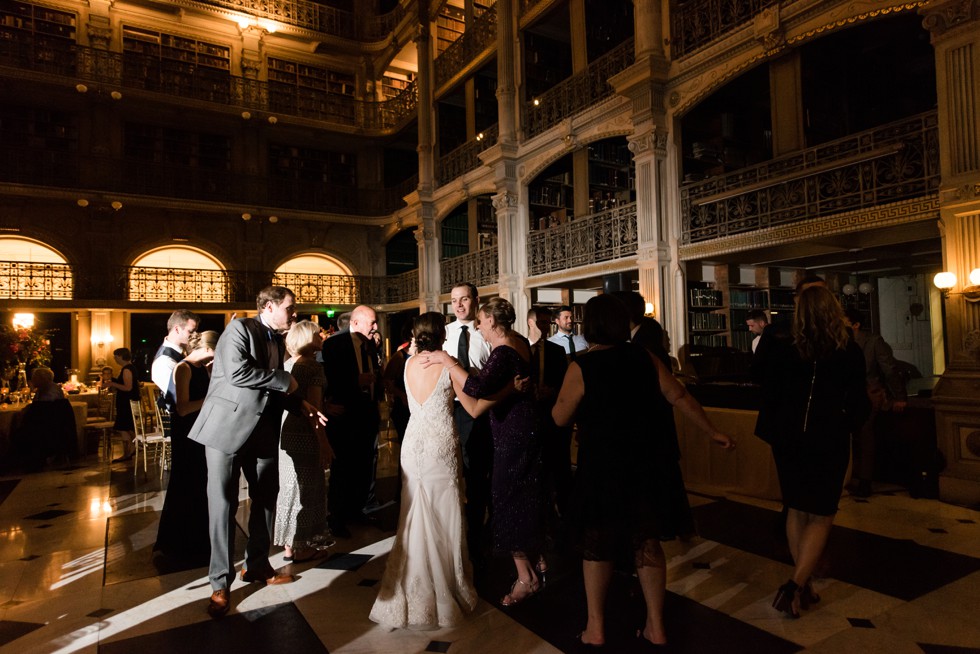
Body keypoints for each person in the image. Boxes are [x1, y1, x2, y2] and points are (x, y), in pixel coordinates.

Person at [551, 294, 734, 648]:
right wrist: (713, 431)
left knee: (597, 545)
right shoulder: (645, 357)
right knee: (646, 542)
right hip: (645, 463)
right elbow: (679, 396)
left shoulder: (582, 366)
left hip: (603, 466)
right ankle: (656, 625)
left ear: (590, 326)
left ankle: (596, 628)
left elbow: (559, 416)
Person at [188, 286, 327, 619]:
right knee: (223, 505)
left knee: (267, 499)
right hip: (226, 431)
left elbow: (273, 392)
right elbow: (237, 373)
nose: (295, 315)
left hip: (262, 433)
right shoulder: (238, 330)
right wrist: (286, 380)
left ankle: (258, 565)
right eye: (290, 309)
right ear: (268, 306)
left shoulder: (277, 341)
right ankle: (220, 584)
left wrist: (300, 403)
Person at [755, 286, 869, 618]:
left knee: (796, 508)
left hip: (787, 438)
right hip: (827, 437)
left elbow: (762, 380)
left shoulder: (782, 345)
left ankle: (803, 585)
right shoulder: (847, 348)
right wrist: (851, 420)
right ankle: (794, 586)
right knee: (822, 513)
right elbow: (858, 398)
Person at [425, 297, 542, 607]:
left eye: (481, 320)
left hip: (512, 432)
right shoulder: (519, 342)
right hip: (523, 427)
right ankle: (533, 564)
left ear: (491, 321)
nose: (478, 326)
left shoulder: (503, 350)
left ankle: (526, 578)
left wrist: (450, 363)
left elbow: (477, 389)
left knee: (506, 499)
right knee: (519, 494)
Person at [369, 312, 478, 629]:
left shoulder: (408, 363)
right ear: (442, 334)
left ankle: (412, 586)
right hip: (439, 445)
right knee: (443, 515)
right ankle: (444, 589)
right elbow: (471, 402)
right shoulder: (447, 362)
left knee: (413, 514)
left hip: (413, 444)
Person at [153, 330, 219, 567]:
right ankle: (177, 544)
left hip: (202, 432)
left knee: (201, 486)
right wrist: (212, 398)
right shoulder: (183, 368)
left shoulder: (203, 367)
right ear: (207, 348)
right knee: (185, 485)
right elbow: (182, 408)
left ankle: (199, 541)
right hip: (187, 434)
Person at [274, 320, 335, 562]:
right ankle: (304, 547)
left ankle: (289, 545)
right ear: (307, 340)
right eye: (317, 334)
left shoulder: (288, 364)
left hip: (286, 433)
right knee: (309, 490)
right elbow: (315, 411)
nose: (321, 336)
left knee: (289, 489)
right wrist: (324, 443)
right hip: (305, 434)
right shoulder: (312, 367)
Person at [443, 282, 492, 565]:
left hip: (480, 411)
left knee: (477, 473)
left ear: (476, 300)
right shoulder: (445, 335)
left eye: (464, 299)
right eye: (454, 301)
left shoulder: (485, 333)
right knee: (451, 472)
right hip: (450, 410)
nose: (459, 305)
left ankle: (476, 534)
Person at [321, 305, 381, 539]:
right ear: (355, 323)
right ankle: (336, 517)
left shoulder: (370, 344)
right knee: (343, 468)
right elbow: (333, 379)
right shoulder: (334, 344)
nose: (375, 327)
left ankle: (356, 510)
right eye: (372, 323)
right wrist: (357, 380)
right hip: (345, 415)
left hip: (368, 413)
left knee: (364, 466)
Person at [843, 307, 908, 497]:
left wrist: (899, 397)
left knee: (865, 435)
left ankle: (865, 480)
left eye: (844, 322)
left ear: (856, 325)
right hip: (847, 395)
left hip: (868, 393)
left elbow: (890, 369)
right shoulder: (838, 342)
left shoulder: (873, 341)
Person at [527, 306, 571, 521]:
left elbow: (565, 383)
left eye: (547, 323)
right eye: (541, 323)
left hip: (551, 414)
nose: (545, 327)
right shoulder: (522, 349)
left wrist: (552, 391)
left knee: (557, 464)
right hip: (528, 414)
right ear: (530, 323)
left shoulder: (556, 351)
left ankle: (562, 512)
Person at [13, 367, 77, 469]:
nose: (32, 380)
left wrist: (27, 411)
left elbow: (42, 410)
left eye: (34, 378)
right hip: (47, 425)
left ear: (42, 379)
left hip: (50, 428)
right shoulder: (43, 389)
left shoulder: (50, 390)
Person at [150, 309, 200, 410]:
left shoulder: (185, 350)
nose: (195, 335)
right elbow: (181, 398)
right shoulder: (164, 361)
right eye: (191, 331)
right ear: (177, 329)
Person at [108, 347, 140, 462]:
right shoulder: (128, 368)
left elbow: (128, 387)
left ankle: (127, 452)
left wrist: (113, 383)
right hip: (126, 403)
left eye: (115, 356)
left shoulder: (127, 369)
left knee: (123, 427)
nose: (114, 359)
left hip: (127, 404)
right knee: (127, 428)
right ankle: (131, 450)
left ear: (121, 356)